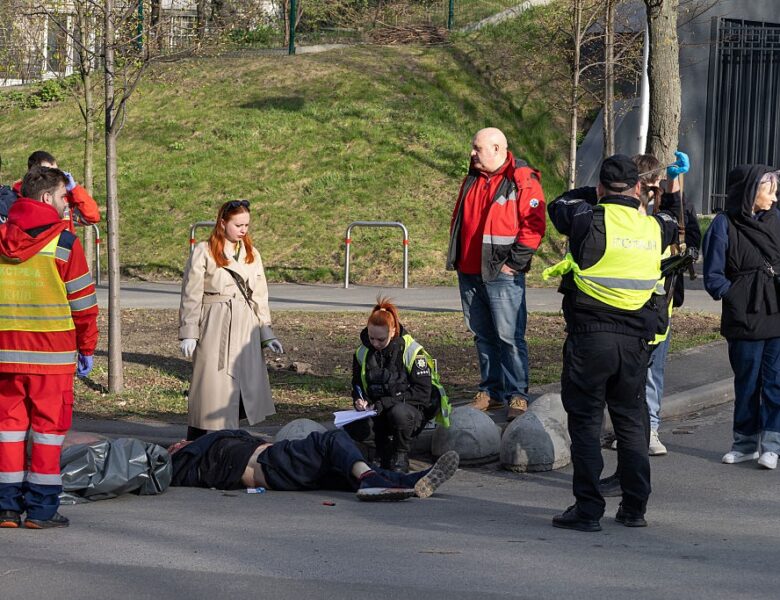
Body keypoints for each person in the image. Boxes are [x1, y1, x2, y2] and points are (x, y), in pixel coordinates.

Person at [544, 154, 679, 531]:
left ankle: (588, 510)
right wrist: (646, 196)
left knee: (586, 423)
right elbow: (674, 220)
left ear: (601, 188)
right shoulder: (656, 227)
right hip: (635, 344)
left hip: (591, 340)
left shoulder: (586, 218)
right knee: (632, 423)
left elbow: (560, 203)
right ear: (639, 188)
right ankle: (635, 508)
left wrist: (597, 193)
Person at [0, 166, 98, 529]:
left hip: (5, 356)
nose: (65, 204)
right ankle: (41, 511)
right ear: (46, 198)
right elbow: (84, 306)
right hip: (50, 358)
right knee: (46, 433)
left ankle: (6, 508)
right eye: (62, 197)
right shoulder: (64, 244)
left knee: (7, 432)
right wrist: (87, 347)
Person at [446, 127, 546, 421]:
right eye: (473, 147)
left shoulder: (521, 179)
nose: (472, 153)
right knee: (483, 335)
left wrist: (514, 264)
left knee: (509, 336)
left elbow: (534, 225)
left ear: (498, 149)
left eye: (477, 148)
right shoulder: (473, 177)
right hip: (469, 270)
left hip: (502, 272)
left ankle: (517, 394)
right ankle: (491, 392)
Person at [179, 200, 283, 441]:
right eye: (238, 224)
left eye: (246, 224)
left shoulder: (251, 253)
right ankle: (199, 443)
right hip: (214, 325)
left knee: (240, 390)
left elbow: (260, 296)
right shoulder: (204, 251)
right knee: (210, 393)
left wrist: (267, 334)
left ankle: (230, 442)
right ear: (223, 222)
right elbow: (191, 295)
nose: (243, 230)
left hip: (246, 327)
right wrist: (189, 332)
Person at [703, 166, 780, 470]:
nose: (774, 196)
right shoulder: (724, 223)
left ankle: (772, 445)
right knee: (747, 382)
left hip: (776, 311)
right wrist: (732, 295)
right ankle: (745, 443)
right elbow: (713, 274)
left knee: (775, 382)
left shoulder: (778, 221)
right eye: (769, 188)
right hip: (743, 313)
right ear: (750, 191)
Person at [169, 428, 460, 502]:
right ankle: (372, 478)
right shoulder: (189, 458)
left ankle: (413, 483)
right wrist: (179, 451)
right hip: (272, 464)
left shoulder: (206, 449)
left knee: (345, 470)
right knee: (331, 440)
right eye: (175, 445)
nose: (179, 442)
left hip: (278, 464)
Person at [344, 298, 451, 473]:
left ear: (393, 331)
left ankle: (401, 455)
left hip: (411, 411)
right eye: (371, 338)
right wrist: (358, 399)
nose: (375, 344)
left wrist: (387, 402)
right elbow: (357, 384)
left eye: (381, 339)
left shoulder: (412, 351)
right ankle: (381, 454)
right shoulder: (362, 352)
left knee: (399, 413)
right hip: (376, 409)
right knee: (352, 426)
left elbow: (423, 393)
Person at [12, 151, 101, 231]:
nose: (54, 176)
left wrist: (74, 189)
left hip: (64, 247)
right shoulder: (18, 199)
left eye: (56, 171)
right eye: (49, 172)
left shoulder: (63, 197)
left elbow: (92, 217)